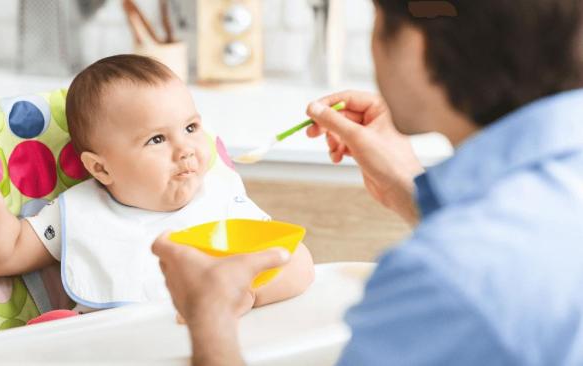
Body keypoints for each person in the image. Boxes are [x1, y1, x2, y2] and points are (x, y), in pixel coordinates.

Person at [152, 0, 583, 364]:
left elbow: (474, 277)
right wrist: (407, 189)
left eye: (376, 24)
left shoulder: (444, 274)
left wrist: (210, 321)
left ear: (417, 44)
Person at [0, 54, 314, 316]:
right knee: (52, 327)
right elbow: (7, 255)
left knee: (302, 261)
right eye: (157, 139)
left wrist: (246, 295)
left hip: (216, 347)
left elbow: (291, 260)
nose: (186, 149)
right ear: (101, 169)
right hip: (113, 351)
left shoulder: (219, 194)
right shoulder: (79, 211)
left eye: (190, 127)